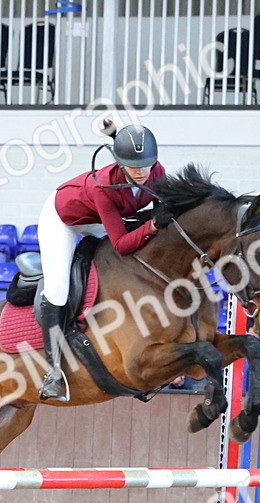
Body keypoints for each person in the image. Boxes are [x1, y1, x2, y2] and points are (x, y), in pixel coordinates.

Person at [35, 123, 167, 400]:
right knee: (57, 290)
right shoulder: (104, 185)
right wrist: (153, 227)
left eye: (146, 164)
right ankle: (53, 372)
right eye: (133, 166)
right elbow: (121, 244)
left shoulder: (157, 173)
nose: (141, 171)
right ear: (119, 163)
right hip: (64, 221)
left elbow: (161, 217)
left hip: (102, 220)